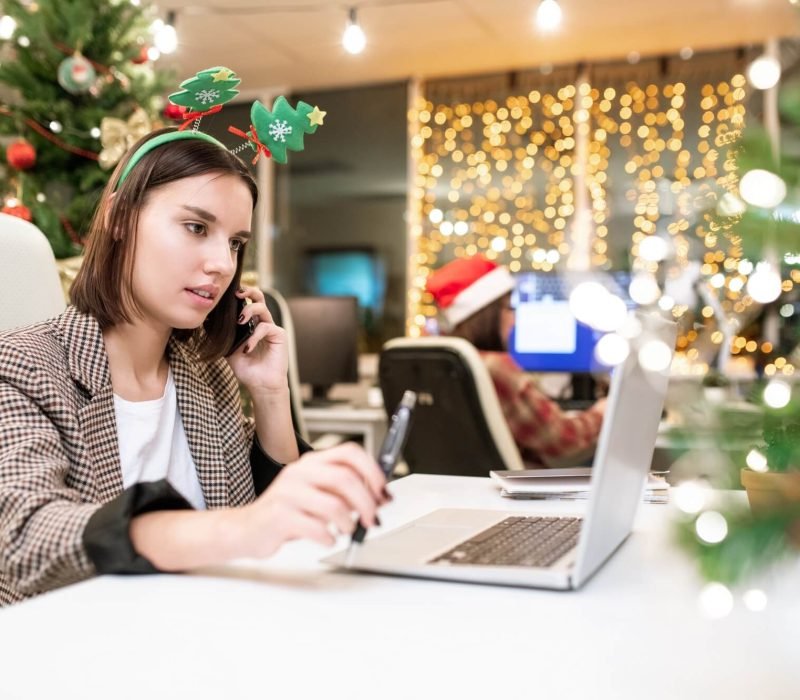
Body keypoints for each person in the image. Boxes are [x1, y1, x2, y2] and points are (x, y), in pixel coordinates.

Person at [0, 128, 388, 606]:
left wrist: (270, 395)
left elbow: (272, 533)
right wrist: (243, 527)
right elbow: (25, 536)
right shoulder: (22, 366)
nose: (223, 264)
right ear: (120, 218)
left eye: (234, 243)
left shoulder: (206, 375)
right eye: (196, 227)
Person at [426, 256, 606, 467]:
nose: (515, 319)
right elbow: (562, 439)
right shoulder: (495, 367)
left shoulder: (440, 361)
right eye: (509, 308)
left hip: (463, 489)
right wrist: (603, 412)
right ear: (487, 315)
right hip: (514, 491)